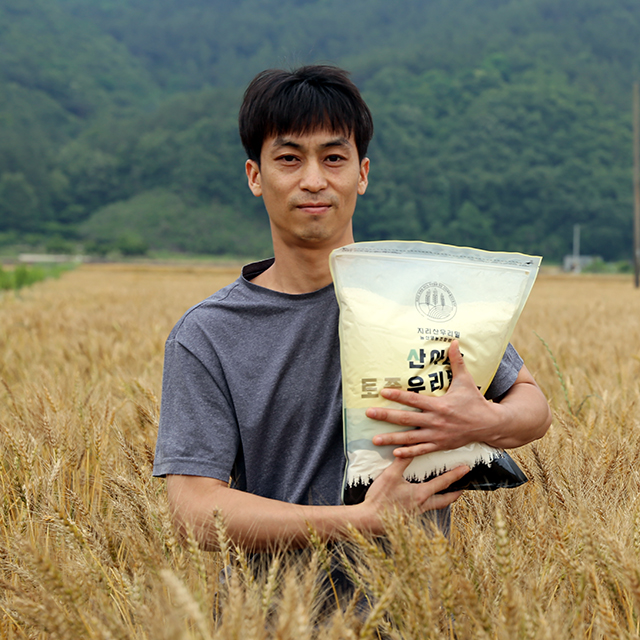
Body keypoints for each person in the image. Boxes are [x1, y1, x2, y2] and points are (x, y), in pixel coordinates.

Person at [153, 65, 552, 554]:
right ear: (256, 176)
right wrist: (359, 521)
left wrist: (481, 421)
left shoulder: (418, 296)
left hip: (417, 617)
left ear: (362, 173)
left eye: (334, 158)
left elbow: (533, 407)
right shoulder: (210, 333)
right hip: (273, 625)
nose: (314, 180)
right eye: (289, 159)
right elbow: (192, 510)